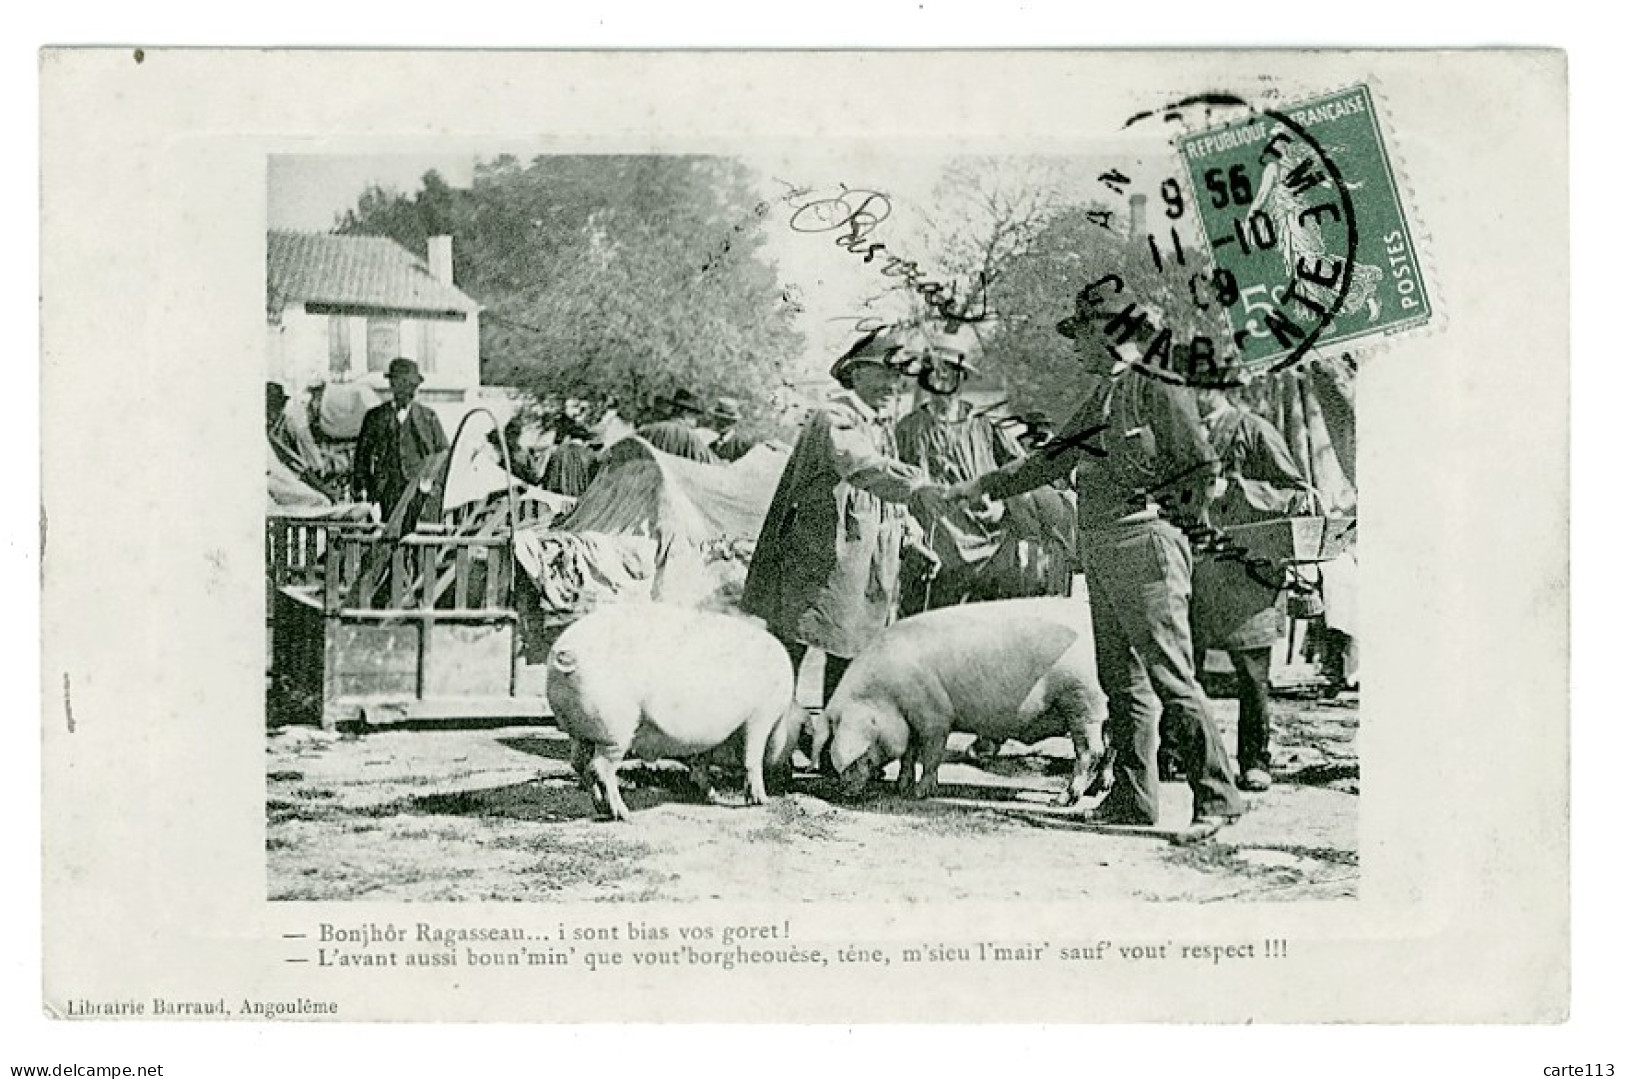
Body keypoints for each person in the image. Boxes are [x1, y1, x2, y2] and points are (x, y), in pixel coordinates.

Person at [947, 299, 1245, 840]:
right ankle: (1132, 799)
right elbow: (1050, 459)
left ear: (1109, 332)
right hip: (1104, 549)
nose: (1077, 345)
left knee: (1170, 675)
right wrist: (985, 486)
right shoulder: (1104, 393)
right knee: (1120, 681)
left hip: (1145, 542)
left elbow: (1200, 467)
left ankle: (1218, 797)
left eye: (1082, 334)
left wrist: (1174, 527)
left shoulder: (1157, 384)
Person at [742, 327, 947, 714]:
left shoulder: (879, 425)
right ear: (855, 373)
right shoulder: (835, 417)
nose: (893, 384)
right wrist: (917, 485)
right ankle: (772, 753)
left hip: (864, 563)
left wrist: (913, 537)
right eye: (883, 373)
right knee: (792, 651)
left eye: (898, 377)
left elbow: (888, 503)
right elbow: (863, 468)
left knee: (853, 658)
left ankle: (836, 753)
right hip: (818, 556)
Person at [1185, 386, 1315, 792]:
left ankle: (1255, 760)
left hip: (1248, 574)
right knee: (1186, 669)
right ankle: (1184, 756)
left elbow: (1298, 492)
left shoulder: (1253, 429)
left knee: (1252, 675)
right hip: (1196, 569)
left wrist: (1238, 490)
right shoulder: (1183, 433)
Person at [894, 347, 1024, 615]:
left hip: (992, 547)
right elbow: (892, 488)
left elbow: (1022, 472)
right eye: (934, 374)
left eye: (949, 374)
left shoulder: (987, 425)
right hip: (936, 550)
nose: (941, 382)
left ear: (962, 379)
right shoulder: (907, 430)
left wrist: (1002, 507)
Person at [352, 358, 449, 522]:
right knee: (387, 538)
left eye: (411, 385)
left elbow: (443, 452)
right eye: (401, 383)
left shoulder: (428, 416)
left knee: (420, 539)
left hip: (420, 494)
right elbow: (361, 459)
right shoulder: (375, 417)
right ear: (392, 384)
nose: (408, 389)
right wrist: (364, 494)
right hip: (386, 494)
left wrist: (430, 482)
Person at [637, 388, 720, 463]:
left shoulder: (648, 430)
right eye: (695, 416)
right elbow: (711, 464)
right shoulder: (690, 438)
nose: (696, 422)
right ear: (685, 413)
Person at [709, 396, 756, 462]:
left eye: (725, 420)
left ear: (734, 421)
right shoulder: (712, 446)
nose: (720, 423)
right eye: (717, 418)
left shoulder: (742, 446)